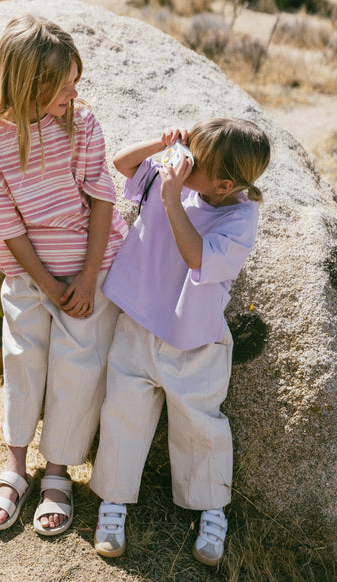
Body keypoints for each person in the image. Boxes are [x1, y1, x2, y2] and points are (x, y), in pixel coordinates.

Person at [0, 14, 128, 535]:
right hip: (28, 275)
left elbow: (102, 198)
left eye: (75, 82)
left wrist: (84, 281)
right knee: (23, 361)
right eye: (62, 87)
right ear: (26, 85)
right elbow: (7, 227)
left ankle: (57, 470)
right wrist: (47, 284)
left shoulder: (81, 124)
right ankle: (15, 466)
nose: (72, 93)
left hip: (88, 273)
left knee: (78, 368)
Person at [90, 118, 271, 565]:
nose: (183, 160)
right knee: (123, 412)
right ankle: (113, 503)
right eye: (188, 148)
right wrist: (165, 141)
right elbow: (121, 162)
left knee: (200, 426)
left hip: (195, 340)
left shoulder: (239, 216)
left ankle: (212, 509)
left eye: (195, 158)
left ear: (224, 183)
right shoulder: (175, 177)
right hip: (138, 320)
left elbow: (197, 256)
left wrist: (173, 199)